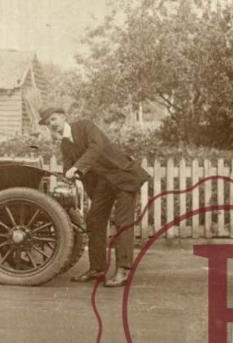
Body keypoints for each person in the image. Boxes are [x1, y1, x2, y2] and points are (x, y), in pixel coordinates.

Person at [39, 107, 151, 288]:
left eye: (53, 119)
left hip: (123, 177)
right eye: (48, 123)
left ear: (63, 117)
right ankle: (97, 268)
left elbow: (96, 147)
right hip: (103, 184)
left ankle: (123, 270)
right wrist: (65, 176)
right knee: (94, 221)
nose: (51, 124)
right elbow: (68, 167)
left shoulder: (85, 126)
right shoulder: (65, 145)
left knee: (122, 222)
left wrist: (77, 168)